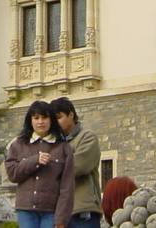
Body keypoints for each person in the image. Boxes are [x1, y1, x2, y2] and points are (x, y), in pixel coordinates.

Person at [4, 100, 74, 228]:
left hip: (51, 210)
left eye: (44, 118)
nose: (40, 122)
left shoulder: (63, 148)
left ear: (51, 120)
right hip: (26, 210)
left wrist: (61, 218)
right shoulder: (18, 145)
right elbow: (12, 174)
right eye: (36, 118)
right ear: (30, 121)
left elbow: (67, 187)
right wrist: (34, 160)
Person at [50, 97, 102, 228]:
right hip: (57, 212)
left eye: (59, 117)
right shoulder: (52, 143)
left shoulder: (87, 137)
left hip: (82, 210)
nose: (55, 122)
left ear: (71, 115)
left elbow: (78, 166)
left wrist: (50, 168)